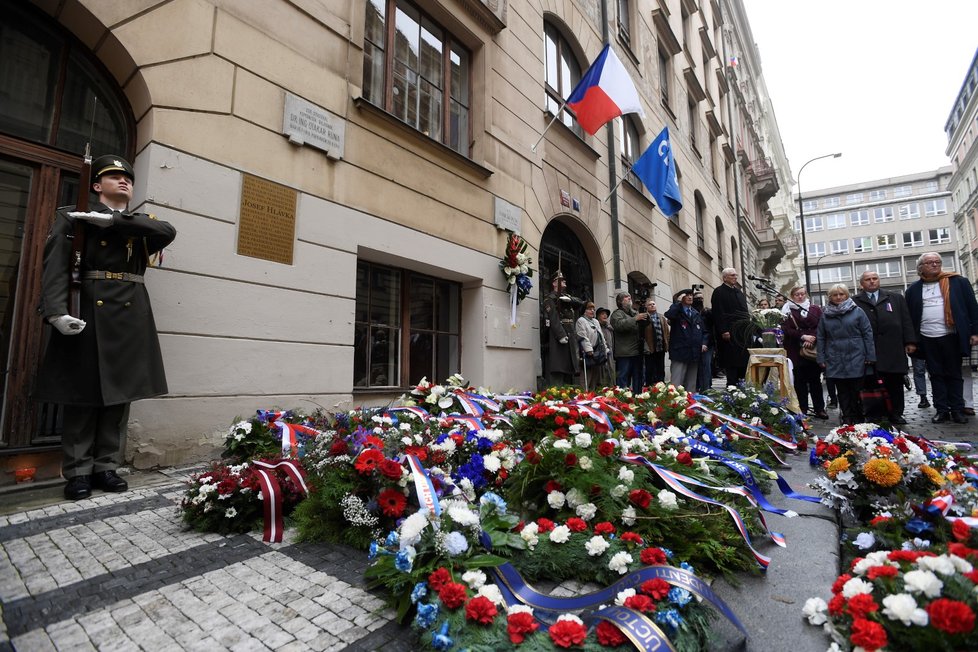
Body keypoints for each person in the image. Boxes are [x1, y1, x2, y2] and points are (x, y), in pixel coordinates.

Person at [37, 155, 177, 500]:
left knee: (119, 395)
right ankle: (77, 471)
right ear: (96, 185)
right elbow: (56, 266)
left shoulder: (139, 222)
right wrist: (55, 312)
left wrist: (112, 221)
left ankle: (106, 467)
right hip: (89, 308)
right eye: (114, 176)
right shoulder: (73, 218)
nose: (124, 181)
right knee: (82, 394)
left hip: (130, 314)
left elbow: (167, 232)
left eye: (127, 177)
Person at [905, 252, 978, 424]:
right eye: (929, 262)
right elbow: (908, 317)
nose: (934, 265)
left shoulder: (958, 282)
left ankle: (957, 410)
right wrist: (910, 341)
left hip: (952, 335)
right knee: (936, 374)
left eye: (937, 262)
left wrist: (975, 332)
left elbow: (973, 308)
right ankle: (942, 410)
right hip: (927, 337)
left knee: (954, 373)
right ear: (921, 267)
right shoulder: (913, 289)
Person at [851, 271, 917, 425]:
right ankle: (875, 413)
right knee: (871, 383)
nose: (872, 282)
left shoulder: (895, 298)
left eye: (875, 278)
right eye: (868, 279)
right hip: (868, 349)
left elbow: (906, 320)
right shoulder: (855, 301)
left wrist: (910, 342)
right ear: (862, 283)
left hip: (893, 348)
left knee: (895, 382)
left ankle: (896, 413)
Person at [816, 284, 876, 425]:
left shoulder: (858, 311)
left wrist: (870, 355)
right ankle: (846, 417)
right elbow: (821, 337)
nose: (838, 297)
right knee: (842, 391)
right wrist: (821, 357)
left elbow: (867, 334)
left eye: (841, 294)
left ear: (847, 295)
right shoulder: (825, 315)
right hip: (835, 356)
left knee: (856, 389)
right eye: (835, 295)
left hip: (856, 355)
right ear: (830, 297)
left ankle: (859, 417)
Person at [782, 286, 828, 419]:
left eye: (802, 294)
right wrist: (803, 336)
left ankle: (819, 408)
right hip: (795, 349)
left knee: (815, 380)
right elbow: (786, 329)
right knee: (799, 381)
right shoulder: (787, 310)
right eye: (797, 294)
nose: (800, 297)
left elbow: (821, 325)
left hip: (812, 350)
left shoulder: (814, 309)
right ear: (792, 296)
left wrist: (812, 338)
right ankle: (802, 408)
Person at [711, 268, 750, 384]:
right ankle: (732, 388)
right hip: (729, 334)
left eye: (736, 275)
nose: (735, 277)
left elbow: (745, 312)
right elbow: (718, 313)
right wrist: (724, 330)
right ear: (725, 278)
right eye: (732, 275)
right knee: (732, 364)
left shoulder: (739, 293)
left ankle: (742, 388)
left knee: (743, 363)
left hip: (742, 335)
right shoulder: (719, 292)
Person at [542, 270, 580, 387]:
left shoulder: (567, 297)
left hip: (570, 333)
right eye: (561, 280)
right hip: (560, 335)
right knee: (559, 365)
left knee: (570, 365)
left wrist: (571, 300)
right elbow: (553, 318)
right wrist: (561, 335)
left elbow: (581, 303)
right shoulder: (550, 298)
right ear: (554, 283)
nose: (564, 282)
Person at [664, 289, 707, 392]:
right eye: (687, 295)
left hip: (694, 352)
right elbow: (669, 315)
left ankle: (689, 404)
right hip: (680, 351)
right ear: (681, 298)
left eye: (691, 295)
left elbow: (704, 331)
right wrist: (677, 302)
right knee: (677, 382)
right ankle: (675, 404)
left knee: (691, 383)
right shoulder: (677, 311)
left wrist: (704, 343)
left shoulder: (696, 313)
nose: (690, 297)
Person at [610, 291, 647, 393]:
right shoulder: (616, 314)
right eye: (626, 297)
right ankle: (622, 398)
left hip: (637, 351)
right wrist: (635, 319)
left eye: (629, 296)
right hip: (625, 353)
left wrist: (645, 314)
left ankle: (637, 395)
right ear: (620, 301)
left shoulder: (634, 312)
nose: (629, 298)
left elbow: (646, 325)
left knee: (639, 376)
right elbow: (619, 325)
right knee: (623, 377)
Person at [576, 302, 611, 391]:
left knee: (595, 375)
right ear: (584, 311)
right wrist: (589, 350)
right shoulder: (581, 321)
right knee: (587, 375)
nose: (592, 311)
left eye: (593, 309)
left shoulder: (595, 321)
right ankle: (584, 394)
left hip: (597, 351)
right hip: (587, 352)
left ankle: (593, 393)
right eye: (589, 309)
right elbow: (582, 336)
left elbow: (601, 335)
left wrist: (605, 349)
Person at [642, 297, 669, 386]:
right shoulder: (644, 317)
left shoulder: (661, 317)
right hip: (650, 347)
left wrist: (667, 344)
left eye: (653, 304)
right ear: (647, 307)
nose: (652, 305)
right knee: (649, 368)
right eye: (650, 304)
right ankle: (649, 385)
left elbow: (666, 332)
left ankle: (661, 384)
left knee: (661, 367)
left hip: (660, 346)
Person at [692, 290, 714, 392]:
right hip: (695, 343)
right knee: (697, 367)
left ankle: (706, 388)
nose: (699, 300)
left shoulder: (707, 312)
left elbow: (709, 329)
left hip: (708, 343)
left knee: (706, 365)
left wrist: (705, 343)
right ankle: (699, 386)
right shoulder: (692, 312)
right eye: (697, 298)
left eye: (701, 298)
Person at [597, 307, 616, 380]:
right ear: (598, 316)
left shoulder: (609, 328)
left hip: (610, 355)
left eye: (606, 314)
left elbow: (613, 342)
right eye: (602, 314)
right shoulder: (597, 327)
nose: (605, 316)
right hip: (600, 354)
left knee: (611, 372)